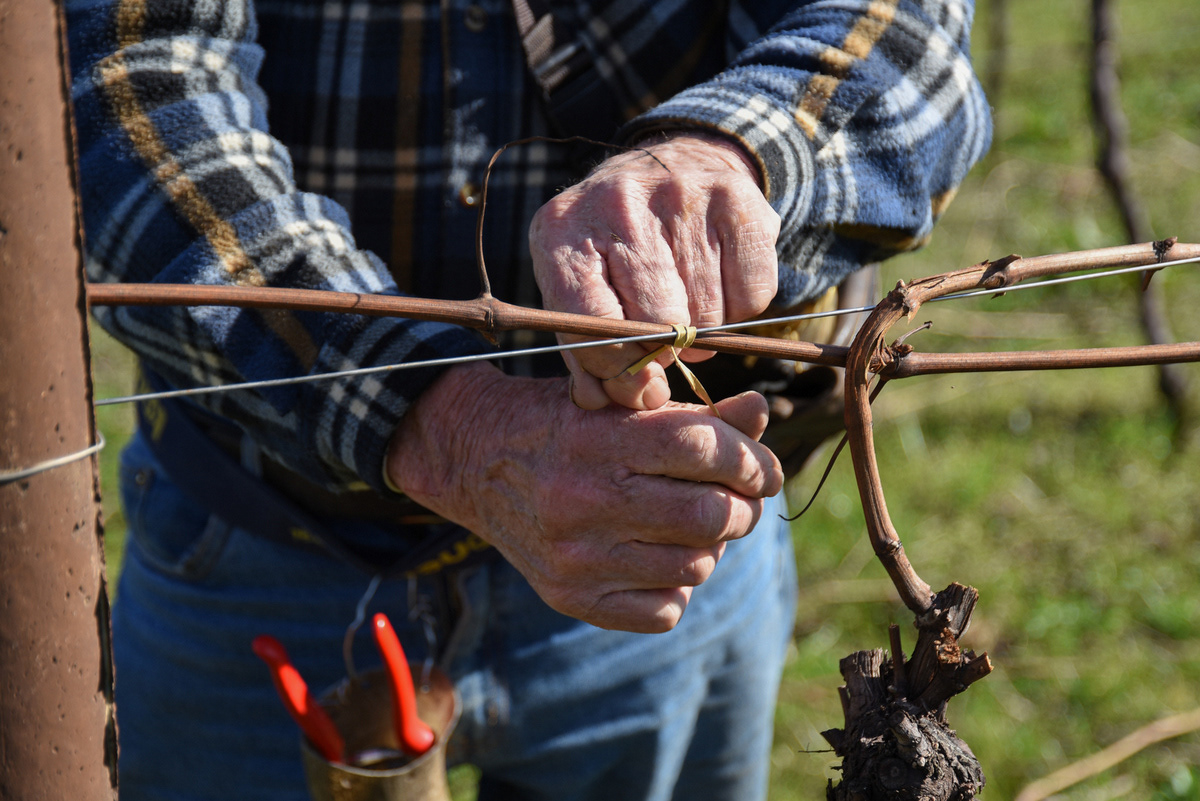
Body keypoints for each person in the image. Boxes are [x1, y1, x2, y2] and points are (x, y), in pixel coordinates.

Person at [66, 0, 991, 798]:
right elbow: (124, 83)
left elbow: (910, 29)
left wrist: (736, 154)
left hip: (671, 548)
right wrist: (435, 418)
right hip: (261, 539)